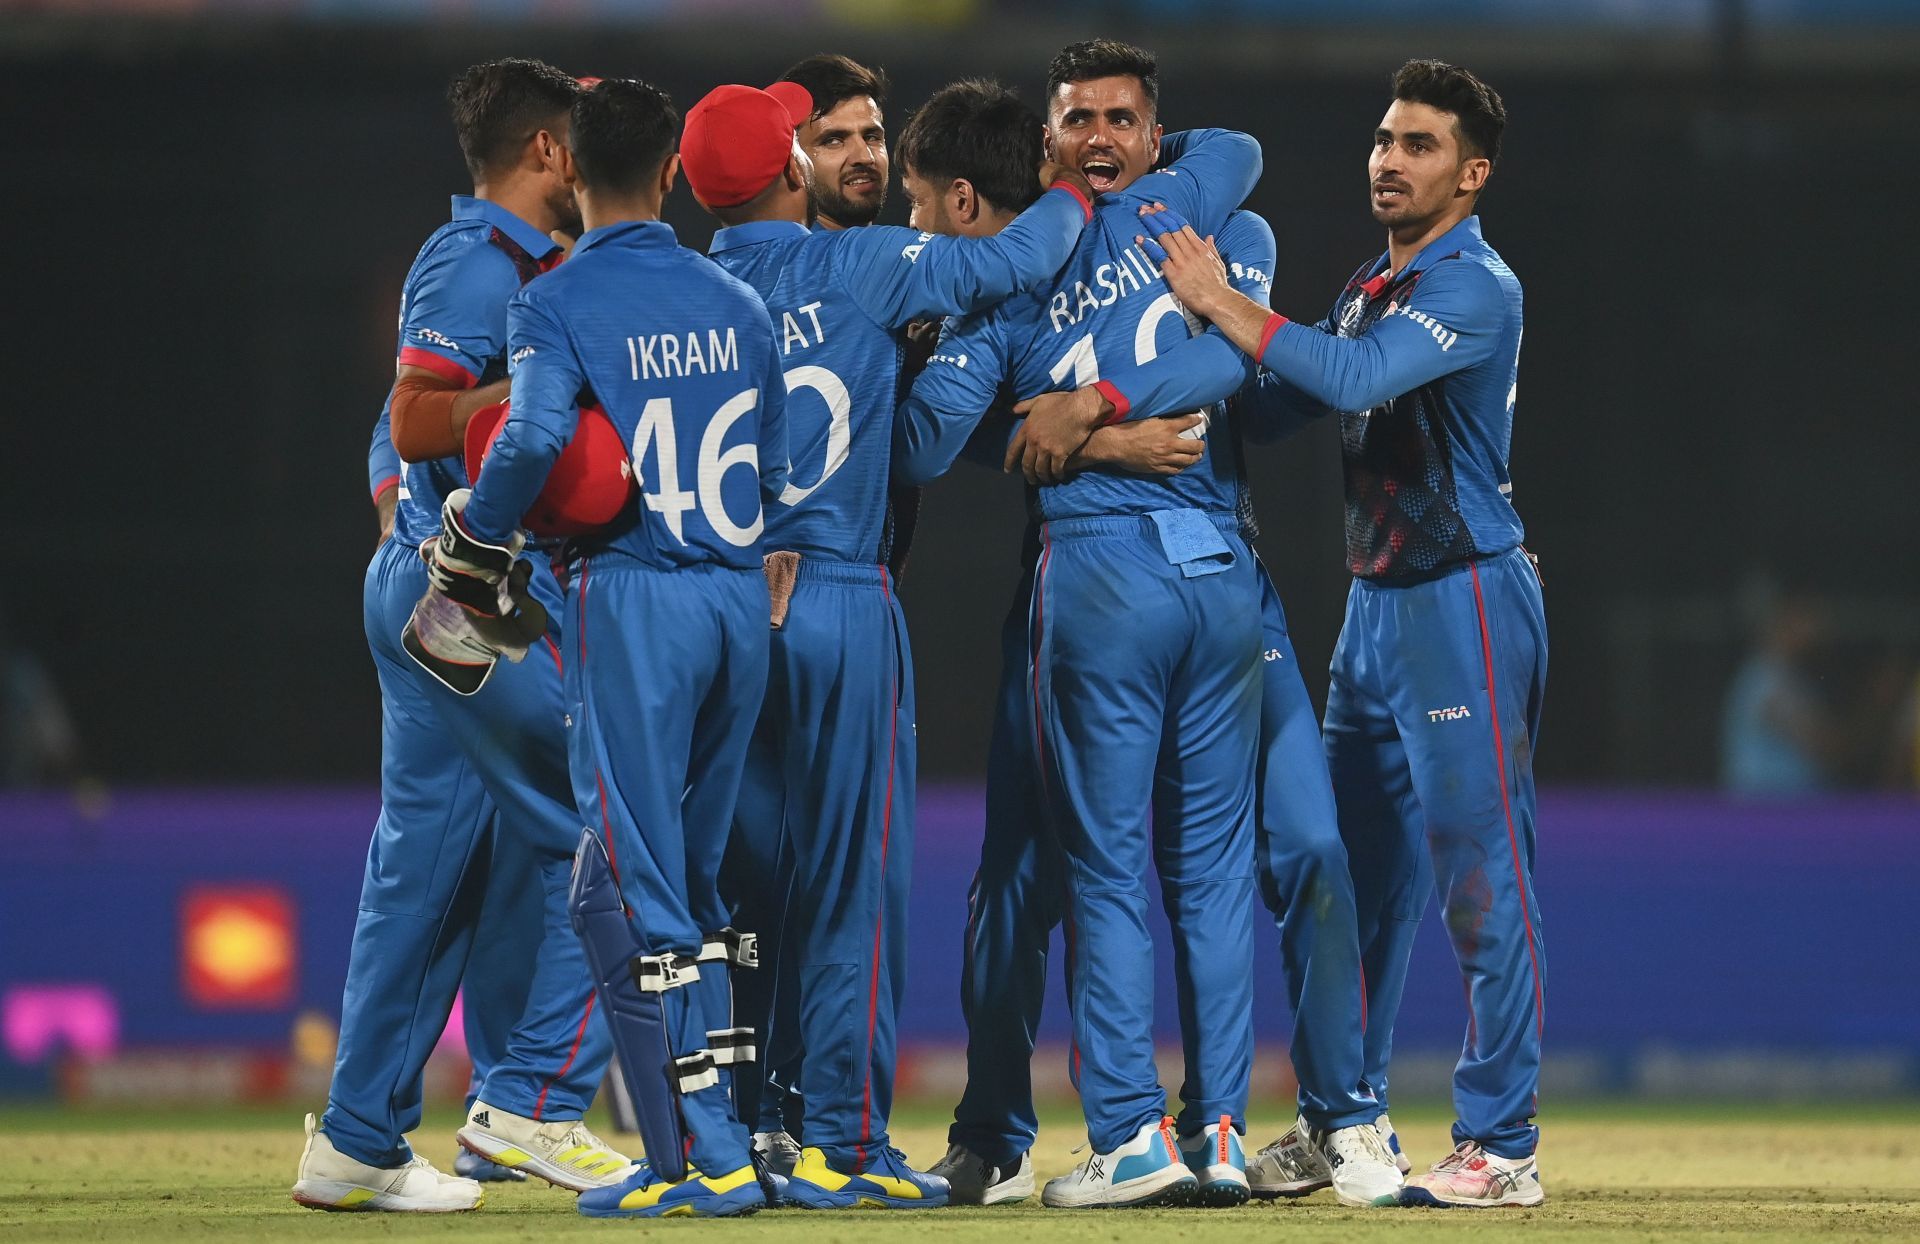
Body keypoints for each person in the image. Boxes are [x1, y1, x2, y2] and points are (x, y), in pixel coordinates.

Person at [684, 74, 1093, 1210]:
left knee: (732, 885)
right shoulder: (857, 266)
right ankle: (850, 1138)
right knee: (850, 881)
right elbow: (1011, 262)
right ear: (789, 168)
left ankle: (747, 1126)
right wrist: (1074, 180)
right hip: (840, 595)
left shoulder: (682, 288)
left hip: (714, 604)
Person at [1145, 58, 1547, 1209]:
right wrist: (1190, 348)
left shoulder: (1475, 286)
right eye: (1382, 138)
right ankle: (1340, 1118)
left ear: (1471, 174)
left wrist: (1228, 302)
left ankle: (1502, 1141)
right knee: (1336, 876)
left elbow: (1357, 372)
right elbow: (1283, 399)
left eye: (1417, 144)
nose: (1386, 158)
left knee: (1481, 876)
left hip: (1461, 599)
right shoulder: (1375, 283)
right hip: (1375, 607)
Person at [894, 38, 1265, 1212]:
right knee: (1207, 876)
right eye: (1076, 124)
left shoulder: (1012, 274)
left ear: (1153, 133)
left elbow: (928, 440)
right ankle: (1220, 1130)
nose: (1097, 139)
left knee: (1099, 869)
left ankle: (1131, 1135)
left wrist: (1065, 416)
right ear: (1046, 140)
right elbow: (1232, 348)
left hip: (1104, 576)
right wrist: (1112, 425)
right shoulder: (1205, 224)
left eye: (1119, 120)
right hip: (1216, 571)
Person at [445, 77, 791, 1219]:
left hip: (634, 599)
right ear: (673, 175)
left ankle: (714, 1149)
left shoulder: (560, 298)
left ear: (575, 169)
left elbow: (538, 434)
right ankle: (703, 1141)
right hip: (740, 600)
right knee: (684, 877)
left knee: (643, 884)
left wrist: (475, 533)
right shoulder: (738, 300)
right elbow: (777, 468)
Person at [294, 59, 629, 1214]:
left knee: (425, 867)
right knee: (611, 823)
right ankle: (531, 1100)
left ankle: (356, 1139)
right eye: (581, 134)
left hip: (453, 591)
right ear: (545, 150)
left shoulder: (542, 266)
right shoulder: (475, 262)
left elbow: (397, 441)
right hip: (463, 596)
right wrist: (538, 397)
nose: (595, 154)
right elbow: (412, 412)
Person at [779, 54, 890, 231]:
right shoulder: (787, 257)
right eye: (833, 141)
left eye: (871, 137)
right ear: (793, 160)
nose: (865, 157)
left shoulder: (897, 251)